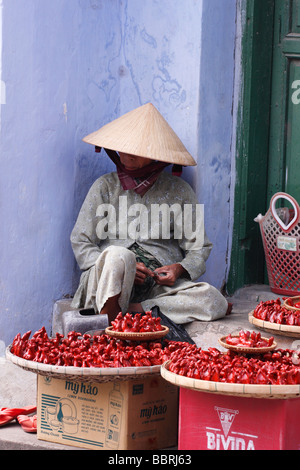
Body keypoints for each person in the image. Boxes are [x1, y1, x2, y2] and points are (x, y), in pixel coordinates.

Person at [70, 103, 229, 325]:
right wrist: (122, 268)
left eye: (136, 151)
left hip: (157, 287)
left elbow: (198, 247)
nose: (127, 156)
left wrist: (180, 269)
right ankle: (112, 310)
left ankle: (131, 313)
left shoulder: (180, 191)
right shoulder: (104, 187)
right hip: (107, 281)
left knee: (213, 300)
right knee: (118, 255)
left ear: (155, 156)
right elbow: (81, 241)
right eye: (122, 148)